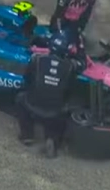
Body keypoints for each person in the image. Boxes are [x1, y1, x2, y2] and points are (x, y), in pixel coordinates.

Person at [15, 30, 82, 158]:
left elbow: (27, 79)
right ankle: (52, 139)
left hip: (32, 103)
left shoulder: (36, 60)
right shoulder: (70, 67)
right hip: (55, 110)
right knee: (65, 109)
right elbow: (70, 90)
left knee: (20, 98)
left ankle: (27, 135)